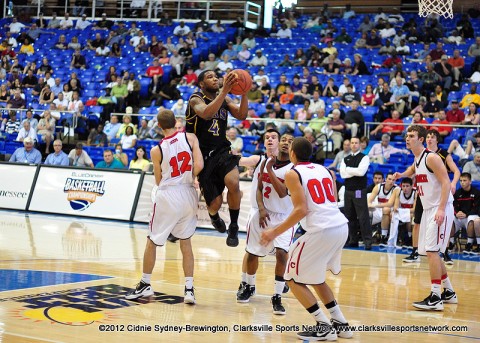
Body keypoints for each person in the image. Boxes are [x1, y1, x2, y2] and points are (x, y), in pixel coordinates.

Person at [260, 137, 352, 341]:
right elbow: (332, 198)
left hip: (322, 229)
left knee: (291, 278)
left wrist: (273, 232)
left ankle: (323, 325)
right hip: (340, 225)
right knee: (317, 278)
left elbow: (301, 209)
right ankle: (341, 324)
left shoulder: (293, 173)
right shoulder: (324, 170)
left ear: (292, 153)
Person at [125, 109, 203, 304]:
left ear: (159, 127)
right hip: (188, 193)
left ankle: (145, 283)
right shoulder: (191, 138)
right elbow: (199, 165)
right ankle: (189, 289)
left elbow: (159, 180)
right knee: (186, 242)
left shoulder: (156, 150)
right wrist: (189, 177)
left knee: (152, 241)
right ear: (176, 121)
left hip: (169, 194)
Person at [396, 125, 456, 310]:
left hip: (441, 208)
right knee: (432, 252)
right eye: (407, 135)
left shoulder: (431, 157)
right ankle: (449, 292)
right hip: (431, 209)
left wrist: (440, 209)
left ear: (421, 139)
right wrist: (401, 175)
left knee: (432, 252)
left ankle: (436, 297)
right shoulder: (417, 159)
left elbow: (446, 182)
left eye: (412, 136)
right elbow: (412, 170)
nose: (407, 138)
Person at [185, 70, 247, 247]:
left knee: (234, 182)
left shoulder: (225, 99)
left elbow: (242, 115)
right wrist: (224, 92)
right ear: (202, 84)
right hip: (202, 155)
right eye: (209, 77)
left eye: (216, 76)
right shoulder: (195, 99)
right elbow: (205, 113)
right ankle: (213, 216)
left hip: (222, 149)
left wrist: (244, 93)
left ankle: (234, 226)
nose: (215, 78)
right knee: (215, 203)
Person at [236, 133, 294, 316]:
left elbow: (283, 192)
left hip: (284, 216)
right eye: (284, 140)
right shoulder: (263, 162)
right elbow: (259, 187)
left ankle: (277, 295)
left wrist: (269, 170)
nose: (286, 143)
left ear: (293, 148)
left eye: (290, 142)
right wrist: (261, 209)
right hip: (263, 214)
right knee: (253, 253)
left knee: (282, 254)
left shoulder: (294, 169)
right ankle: (249, 285)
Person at [235, 129, 281, 296]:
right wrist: (230, 154)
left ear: (280, 142)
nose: (270, 139)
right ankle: (246, 282)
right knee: (251, 250)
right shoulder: (258, 159)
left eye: (273, 137)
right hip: (257, 211)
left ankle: (283, 280)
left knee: (282, 252)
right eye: (267, 137)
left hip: (279, 213)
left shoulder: (287, 164)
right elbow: (241, 160)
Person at [340, 137, 372, 250]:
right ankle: (353, 240)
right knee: (349, 216)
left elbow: (361, 172)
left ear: (360, 144)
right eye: (352, 143)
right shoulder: (345, 159)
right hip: (348, 190)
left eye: (356, 143)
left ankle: (367, 241)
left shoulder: (365, 157)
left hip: (359, 190)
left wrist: (348, 170)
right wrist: (353, 171)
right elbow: (343, 175)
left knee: (363, 216)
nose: (354, 145)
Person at [452, 172, 480, 254]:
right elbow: (453, 206)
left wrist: (466, 214)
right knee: (450, 219)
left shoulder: (476, 193)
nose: (462, 183)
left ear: (470, 181)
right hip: (459, 217)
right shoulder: (457, 193)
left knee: (472, 219)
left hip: (470, 216)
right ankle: (451, 243)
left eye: (465, 180)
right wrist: (456, 213)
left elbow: (477, 208)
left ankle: (469, 244)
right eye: (461, 181)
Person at [367, 173, 398, 246]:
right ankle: (366, 236)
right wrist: (370, 205)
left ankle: (384, 236)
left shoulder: (396, 189)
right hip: (379, 209)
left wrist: (376, 205)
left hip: (391, 210)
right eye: (389, 179)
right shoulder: (378, 187)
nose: (391, 181)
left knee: (386, 210)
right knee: (366, 211)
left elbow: (390, 204)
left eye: (393, 180)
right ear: (385, 179)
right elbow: (369, 201)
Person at [389, 177, 416, 248]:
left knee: (411, 216)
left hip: (411, 214)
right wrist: (399, 211)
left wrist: (403, 211)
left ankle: (410, 238)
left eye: (407, 186)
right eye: (403, 186)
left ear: (412, 186)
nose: (405, 188)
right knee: (392, 214)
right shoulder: (399, 192)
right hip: (403, 212)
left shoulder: (416, 193)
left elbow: (414, 209)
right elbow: (395, 207)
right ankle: (391, 238)